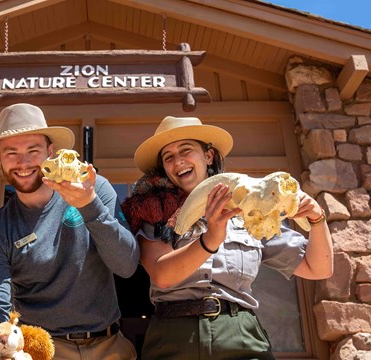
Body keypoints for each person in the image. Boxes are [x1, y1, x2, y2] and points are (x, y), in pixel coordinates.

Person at [121, 116, 334, 359]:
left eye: (185, 150)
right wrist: (211, 238)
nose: (178, 161)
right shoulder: (151, 211)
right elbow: (163, 275)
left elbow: (318, 268)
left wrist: (317, 220)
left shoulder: (250, 207)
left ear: (208, 156)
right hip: (173, 338)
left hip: (241, 335)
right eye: (168, 157)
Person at [0, 103, 140, 359]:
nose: (23, 162)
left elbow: (126, 265)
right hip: (42, 349)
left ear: (51, 152)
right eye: (11, 153)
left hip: (110, 344)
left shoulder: (94, 189)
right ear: (0, 159)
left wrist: (88, 206)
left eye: (33, 150)